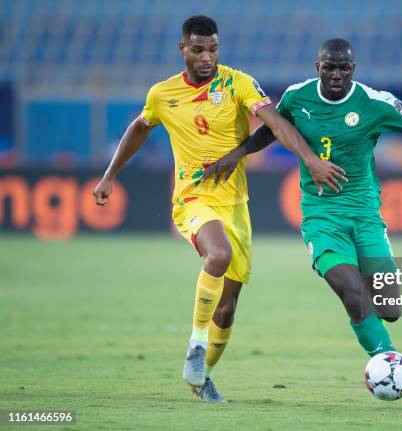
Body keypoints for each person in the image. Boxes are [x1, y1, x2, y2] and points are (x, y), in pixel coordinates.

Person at [203, 38, 402, 412]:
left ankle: (389, 352)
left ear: (354, 70)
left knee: (390, 308)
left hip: (365, 217)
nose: (336, 74)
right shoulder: (297, 97)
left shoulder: (375, 103)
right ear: (318, 66)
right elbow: (273, 129)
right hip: (321, 218)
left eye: (344, 68)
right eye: (330, 67)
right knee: (351, 293)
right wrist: (238, 152)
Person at [92, 16, 346, 404]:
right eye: (198, 50)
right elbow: (140, 127)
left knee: (226, 312)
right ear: (183, 50)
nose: (207, 57)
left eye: (213, 49)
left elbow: (275, 122)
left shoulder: (238, 83)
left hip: (236, 205)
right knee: (218, 254)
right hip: (193, 198)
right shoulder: (163, 94)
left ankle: (202, 376)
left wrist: (309, 158)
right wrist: (110, 175)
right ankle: (195, 343)